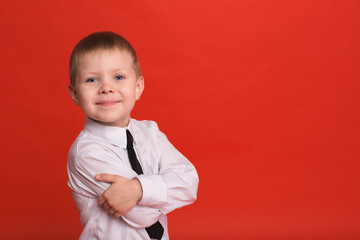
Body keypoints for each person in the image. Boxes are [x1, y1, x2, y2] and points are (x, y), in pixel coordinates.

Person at [67, 31, 199, 240]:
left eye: (118, 77)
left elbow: (190, 183)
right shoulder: (86, 153)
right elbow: (143, 216)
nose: (106, 88)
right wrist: (164, 190)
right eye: (92, 79)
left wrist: (139, 189)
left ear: (138, 88)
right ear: (75, 94)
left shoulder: (150, 133)